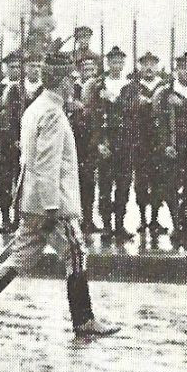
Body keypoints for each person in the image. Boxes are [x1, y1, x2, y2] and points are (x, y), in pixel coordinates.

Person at [0, 48, 119, 339]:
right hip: (53, 203)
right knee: (77, 254)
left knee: (20, 256)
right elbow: (47, 164)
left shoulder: (37, 107)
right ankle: (84, 321)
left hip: (32, 199)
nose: (74, 84)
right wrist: (51, 207)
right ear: (62, 81)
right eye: (70, 79)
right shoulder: (52, 114)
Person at [155, 53, 187, 251]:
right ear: (176, 70)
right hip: (173, 149)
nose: (185, 71)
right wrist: (165, 144)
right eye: (181, 68)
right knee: (171, 187)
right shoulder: (166, 93)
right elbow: (160, 123)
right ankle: (177, 224)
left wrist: (183, 105)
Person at [86, 46, 132, 245]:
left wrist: (113, 99)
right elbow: (93, 117)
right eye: (113, 61)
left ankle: (120, 224)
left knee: (123, 185)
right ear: (108, 63)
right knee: (104, 185)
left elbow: (133, 109)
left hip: (124, 140)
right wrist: (97, 143)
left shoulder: (130, 86)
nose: (116, 65)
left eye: (119, 62)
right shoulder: (98, 86)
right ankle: (106, 224)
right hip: (106, 140)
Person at [123, 52, 167, 245]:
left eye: (152, 63)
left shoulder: (164, 88)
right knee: (141, 182)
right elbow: (122, 109)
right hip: (140, 141)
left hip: (158, 141)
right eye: (145, 64)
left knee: (158, 181)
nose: (149, 67)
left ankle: (155, 219)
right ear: (140, 67)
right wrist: (135, 103)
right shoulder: (132, 88)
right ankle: (142, 218)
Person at [0, 52, 28, 237]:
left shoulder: (26, 91)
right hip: (3, 145)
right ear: (6, 68)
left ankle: (18, 219)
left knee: (22, 184)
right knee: (4, 184)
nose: (15, 70)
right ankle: (5, 219)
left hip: (22, 144)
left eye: (18, 67)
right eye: (11, 67)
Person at [71, 53, 103, 236]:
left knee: (90, 181)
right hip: (74, 138)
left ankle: (89, 218)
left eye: (91, 69)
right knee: (73, 181)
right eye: (85, 69)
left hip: (92, 138)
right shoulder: (72, 88)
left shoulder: (98, 88)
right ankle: (75, 219)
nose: (88, 72)